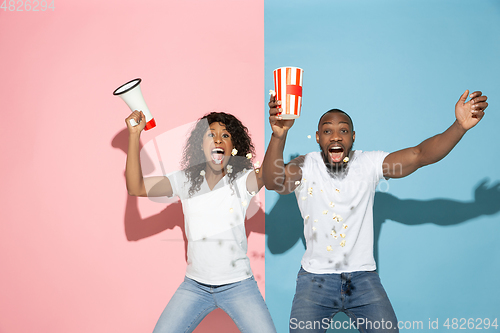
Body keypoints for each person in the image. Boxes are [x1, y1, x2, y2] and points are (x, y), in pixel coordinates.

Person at [262, 90, 488, 333]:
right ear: (318, 137)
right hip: (315, 281)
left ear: (353, 137)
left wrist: (459, 127)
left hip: (363, 279)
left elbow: (419, 155)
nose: (336, 137)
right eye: (327, 131)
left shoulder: (369, 163)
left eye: (343, 131)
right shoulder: (305, 165)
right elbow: (274, 181)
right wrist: (278, 136)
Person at [125, 111, 276, 333]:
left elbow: (268, 176)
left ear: (234, 146)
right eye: (210, 135)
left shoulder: (242, 180)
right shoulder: (185, 180)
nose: (217, 139)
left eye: (225, 135)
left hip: (238, 285)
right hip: (195, 286)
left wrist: (277, 133)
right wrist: (133, 136)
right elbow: (135, 187)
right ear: (200, 145)